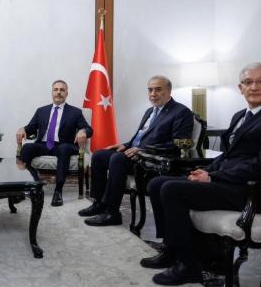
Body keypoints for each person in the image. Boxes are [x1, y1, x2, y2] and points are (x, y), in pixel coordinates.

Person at [140, 62, 261, 286]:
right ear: (240, 88)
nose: (254, 87)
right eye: (248, 82)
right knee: (156, 183)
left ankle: (187, 266)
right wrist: (206, 170)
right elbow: (228, 156)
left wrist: (213, 177)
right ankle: (172, 250)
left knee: (171, 189)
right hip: (231, 182)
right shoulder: (240, 115)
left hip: (256, 190)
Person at [81, 75, 194, 226]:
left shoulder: (181, 112)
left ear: (168, 91)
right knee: (99, 156)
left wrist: (142, 150)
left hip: (152, 159)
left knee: (117, 159)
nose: (153, 94)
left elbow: (177, 144)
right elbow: (141, 137)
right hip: (136, 154)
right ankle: (99, 204)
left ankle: (112, 213)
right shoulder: (150, 111)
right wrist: (125, 145)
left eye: (158, 90)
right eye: (150, 90)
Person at [16, 80, 92, 207]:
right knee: (27, 148)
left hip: (64, 145)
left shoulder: (75, 112)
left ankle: (58, 191)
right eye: (56, 89)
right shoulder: (41, 111)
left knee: (63, 149)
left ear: (66, 93)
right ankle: (34, 185)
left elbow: (89, 129)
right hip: (44, 145)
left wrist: (83, 131)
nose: (58, 92)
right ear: (52, 92)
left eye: (62, 90)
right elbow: (30, 128)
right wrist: (22, 129)